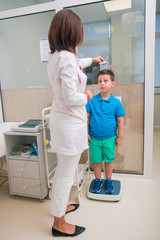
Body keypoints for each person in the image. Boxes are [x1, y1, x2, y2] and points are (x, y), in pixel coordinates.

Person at [47, 9, 104, 237]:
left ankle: (59, 208)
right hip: (69, 123)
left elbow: (75, 62)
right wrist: (88, 96)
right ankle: (58, 223)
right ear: (73, 33)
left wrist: (92, 60)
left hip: (62, 122)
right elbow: (72, 98)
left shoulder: (57, 56)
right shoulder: (67, 59)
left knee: (64, 170)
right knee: (64, 174)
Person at [86, 69, 125, 194]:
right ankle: (98, 180)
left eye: (106, 81)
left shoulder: (116, 103)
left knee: (109, 160)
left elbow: (120, 121)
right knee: (96, 161)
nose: (102, 83)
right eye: (100, 81)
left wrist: (121, 137)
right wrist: (85, 133)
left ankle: (108, 180)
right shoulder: (92, 101)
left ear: (112, 84)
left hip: (110, 138)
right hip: (94, 138)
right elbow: (86, 118)